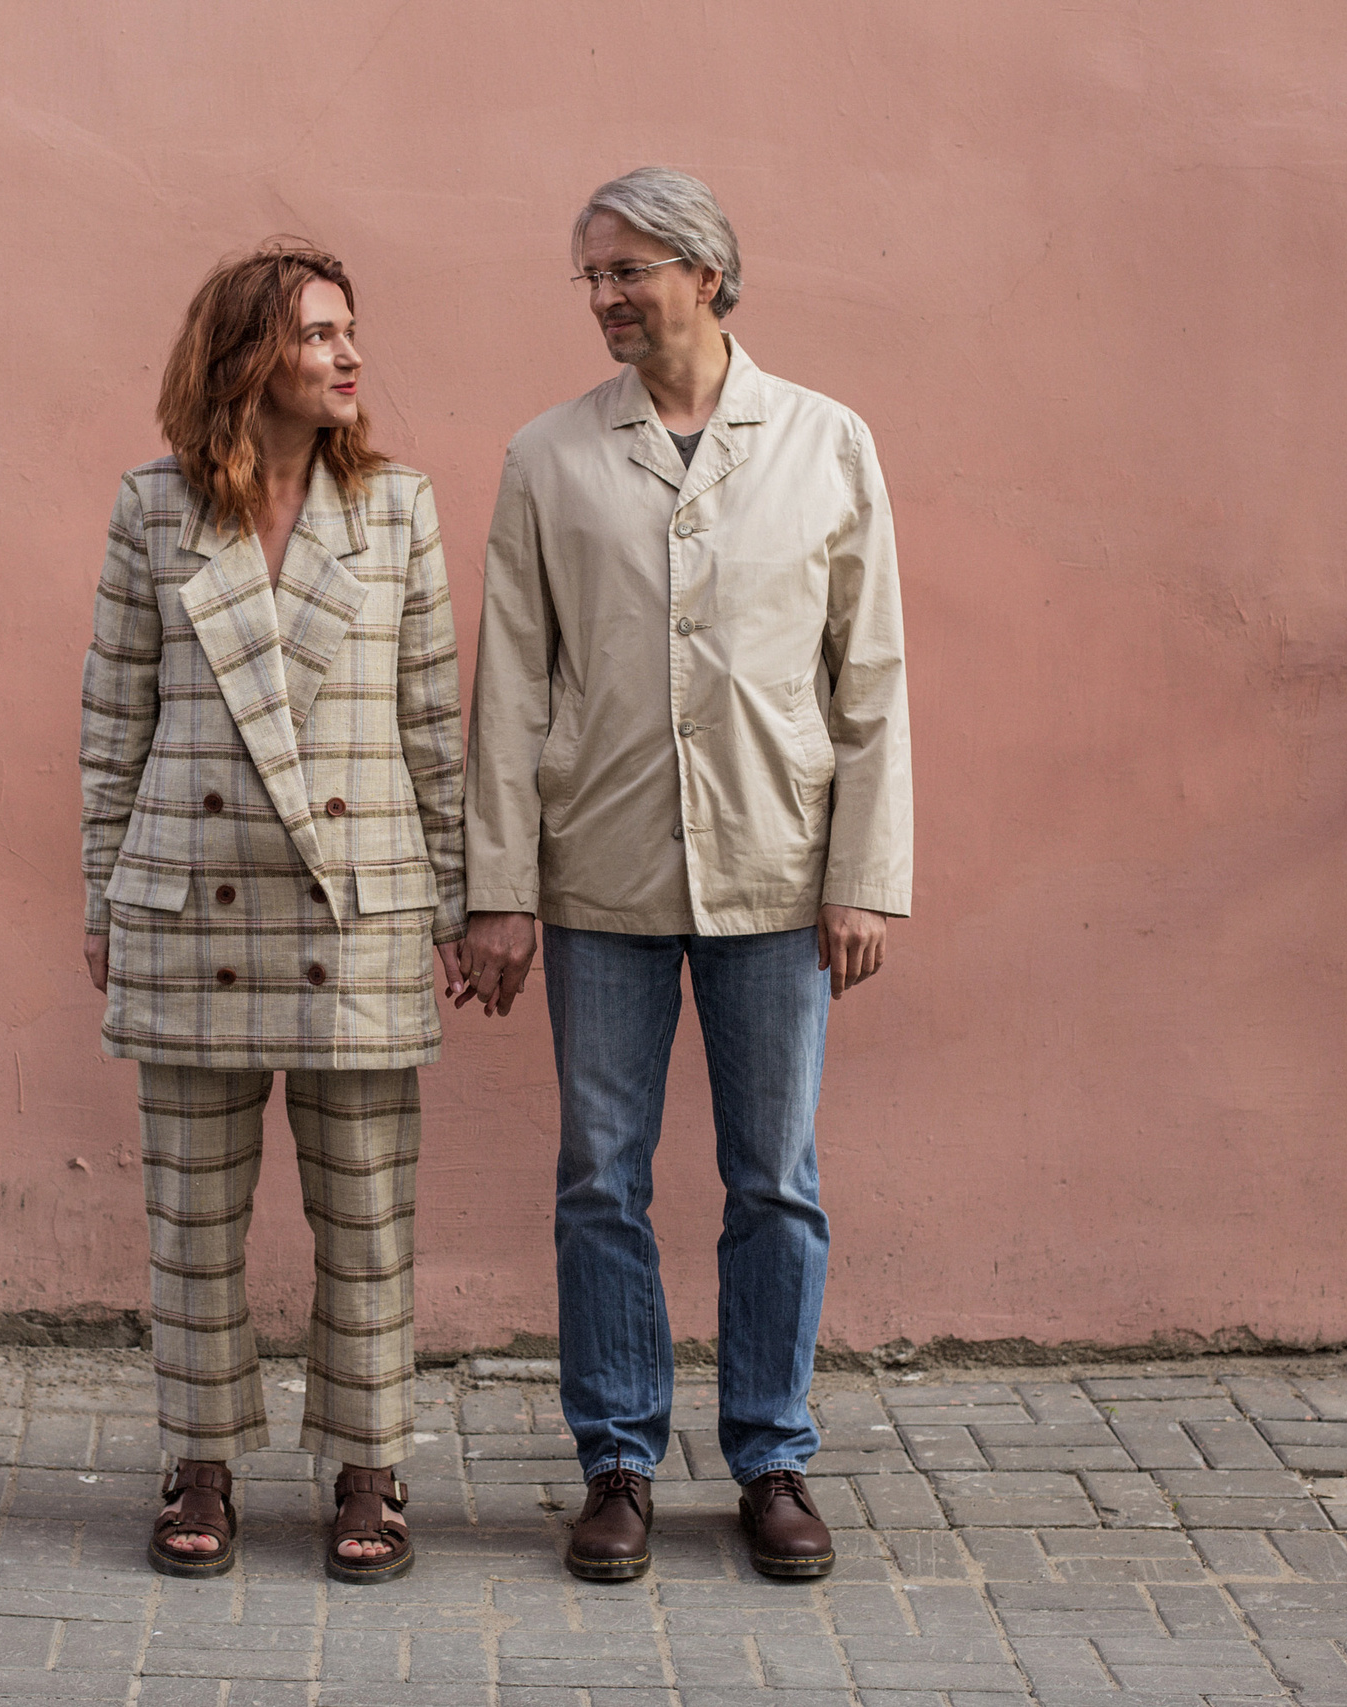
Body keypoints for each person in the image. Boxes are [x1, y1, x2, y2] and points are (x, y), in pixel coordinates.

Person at [461, 169, 912, 1582]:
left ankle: (773, 1457)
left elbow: (871, 681)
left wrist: (864, 874)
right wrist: (497, 888)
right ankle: (617, 1462)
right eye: (591, 275)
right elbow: (509, 687)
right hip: (600, 872)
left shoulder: (826, 442)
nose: (604, 297)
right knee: (601, 1177)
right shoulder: (550, 456)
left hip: (776, 870)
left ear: (706, 273)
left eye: (628, 270)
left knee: (774, 1177)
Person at [79, 244, 466, 1583]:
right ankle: (200, 1460)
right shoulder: (154, 508)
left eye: (352, 330)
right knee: (192, 1220)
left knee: (366, 1215)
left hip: (353, 906)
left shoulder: (397, 509)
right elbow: (115, 718)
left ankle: (370, 1463)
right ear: (249, 358)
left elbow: (431, 724)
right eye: (318, 334)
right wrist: (103, 894)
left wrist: (457, 904)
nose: (350, 356)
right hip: (191, 902)